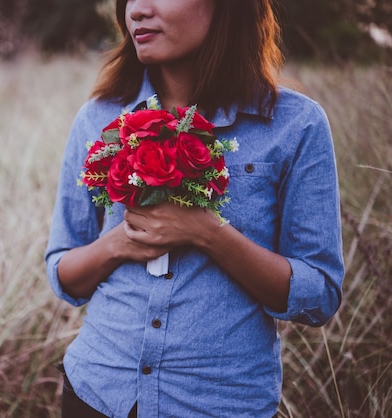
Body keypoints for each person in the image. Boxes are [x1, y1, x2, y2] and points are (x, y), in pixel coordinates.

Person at [44, 0, 345, 416]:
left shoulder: (296, 125)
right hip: (98, 393)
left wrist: (207, 233)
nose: (138, 11)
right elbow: (63, 271)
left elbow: (320, 294)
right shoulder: (98, 119)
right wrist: (118, 243)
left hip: (217, 404)